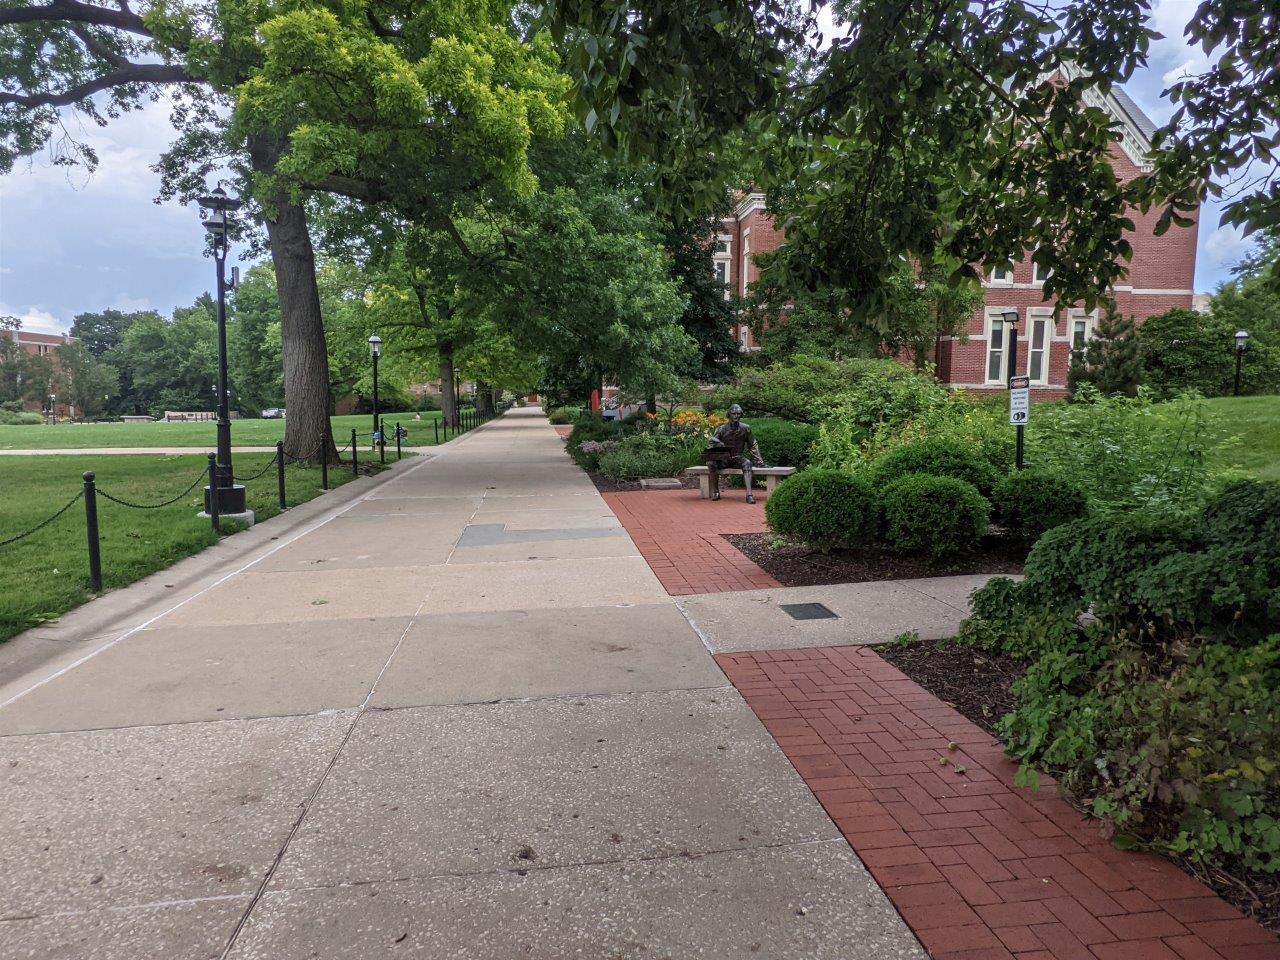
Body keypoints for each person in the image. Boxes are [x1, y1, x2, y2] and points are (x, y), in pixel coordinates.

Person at [707, 404, 765, 503]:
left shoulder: (746, 428)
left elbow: (753, 445)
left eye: (738, 414)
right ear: (729, 415)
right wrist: (718, 443)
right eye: (733, 414)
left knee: (747, 463)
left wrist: (759, 461)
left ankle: (749, 495)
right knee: (711, 463)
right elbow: (711, 441)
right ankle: (716, 492)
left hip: (737, 457)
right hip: (724, 458)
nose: (736, 416)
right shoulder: (721, 429)